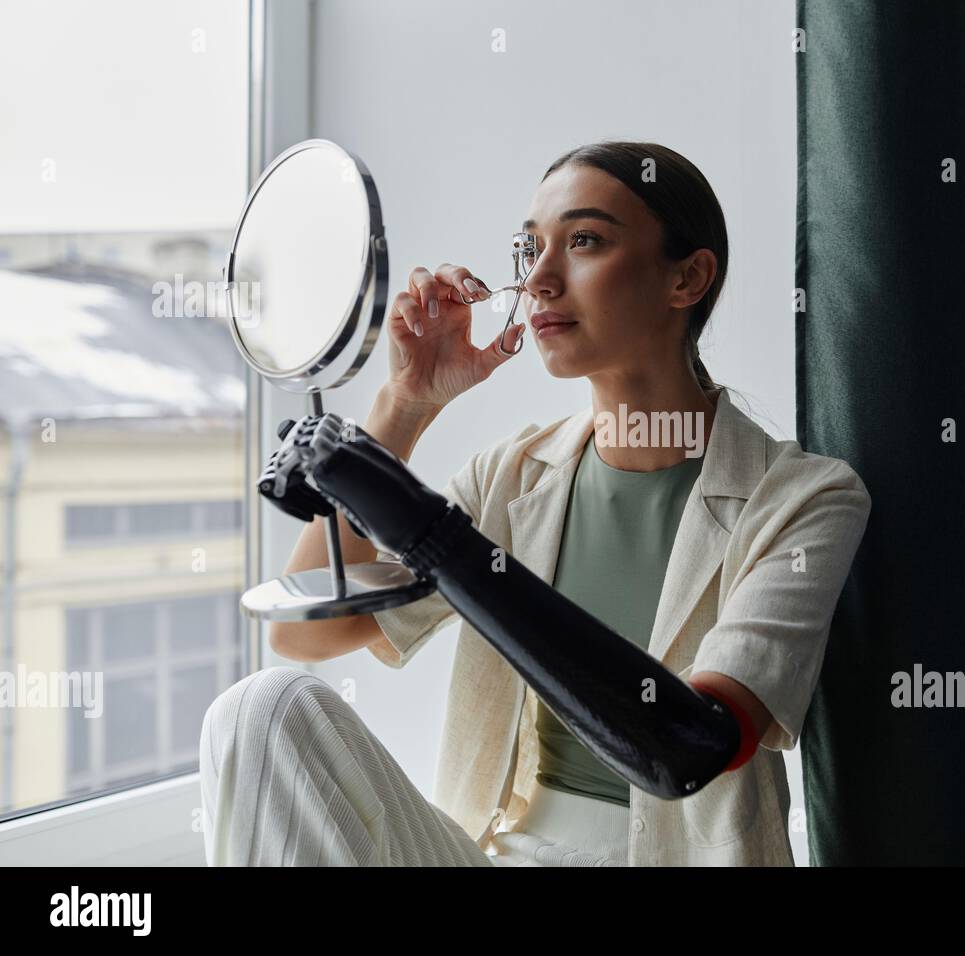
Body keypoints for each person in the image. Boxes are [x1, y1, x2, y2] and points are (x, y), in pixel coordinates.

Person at [200, 140, 871, 866]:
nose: (541, 281)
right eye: (529, 250)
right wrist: (405, 405)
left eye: (584, 242)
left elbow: (693, 743)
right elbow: (306, 638)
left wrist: (440, 541)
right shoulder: (515, 476)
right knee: (263, 710)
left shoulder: (804, 499)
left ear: (688, 277)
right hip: (502, 850)